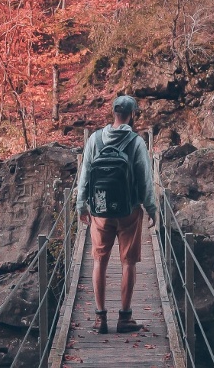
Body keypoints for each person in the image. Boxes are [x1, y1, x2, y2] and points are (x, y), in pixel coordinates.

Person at [76, 95, 157, 334]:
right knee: (128, 263)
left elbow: (85, 175)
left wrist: (81, 206)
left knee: (99, 261)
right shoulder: (136, 142)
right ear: (132, 115)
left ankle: (100, 318)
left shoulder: (94, 139)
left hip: (100, 211)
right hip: (129, 211)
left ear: (113, 113)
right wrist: (152, 210)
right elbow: (145, 181)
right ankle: (125, 318)